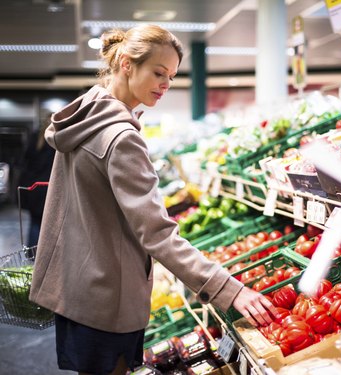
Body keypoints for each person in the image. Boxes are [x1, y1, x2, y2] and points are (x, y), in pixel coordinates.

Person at [29, 24, 278, 375]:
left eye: (172, 77)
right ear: (127, 64)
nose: (165, 84)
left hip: (79, 285)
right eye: (158, 73)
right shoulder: (121, 138)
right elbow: (157, 232)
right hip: (108, 299)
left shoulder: (85, 116)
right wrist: (228, 289)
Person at [18, 112, 55, 247]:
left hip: (33, 188)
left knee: (34, 222)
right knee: (50, 225)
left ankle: (31, 256)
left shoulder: (35, 138)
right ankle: (46, 256)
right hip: (48, 187)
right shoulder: (55, 141)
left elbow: (25, 161)